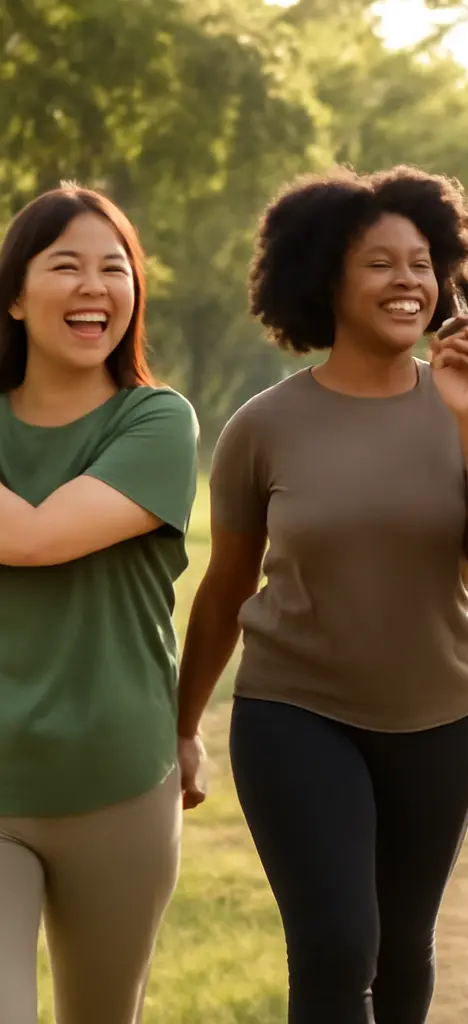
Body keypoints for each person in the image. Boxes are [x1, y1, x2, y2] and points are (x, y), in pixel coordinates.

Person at [175, 165, 468, 1023]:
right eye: (380, 262)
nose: (407, 281)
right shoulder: (263, 426)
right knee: (338, 950)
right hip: (295, 713)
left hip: (440, 721)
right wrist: (183, 724)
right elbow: (225, 589)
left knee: (404, 955)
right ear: (324, 277)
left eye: (421, 263)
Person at [0, 185, 199, 1023]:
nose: (95, 287)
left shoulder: (155, 421)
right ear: (14, 296)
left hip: (118, 782)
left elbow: (40, 536)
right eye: (66, 266)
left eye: (114, 269)